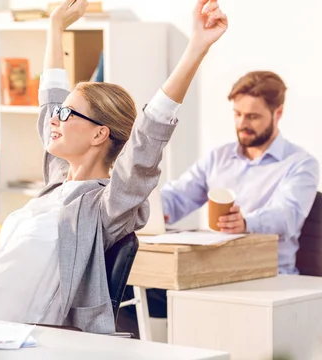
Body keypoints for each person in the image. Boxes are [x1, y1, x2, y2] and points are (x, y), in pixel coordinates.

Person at [0, 0, 228, 334]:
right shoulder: (57, 182)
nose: (54, 119)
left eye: (67, 114)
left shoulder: (103, 207)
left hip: (12, 337)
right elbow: (50, 101)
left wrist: (196, 48)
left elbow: (145, 145)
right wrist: (55, 27)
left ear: (99, 134)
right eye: (58, 113)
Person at [118, 70, 320, 336]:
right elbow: (178, 197)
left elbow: (287, 214)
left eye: (253, 116)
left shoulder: (300, 163)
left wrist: (246, 222)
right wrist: (144, 208)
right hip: (212, 272)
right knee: (123, 289)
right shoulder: (219, 157)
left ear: (278, 113)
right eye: (237, 114)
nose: (242, 123)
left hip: (267, 273)